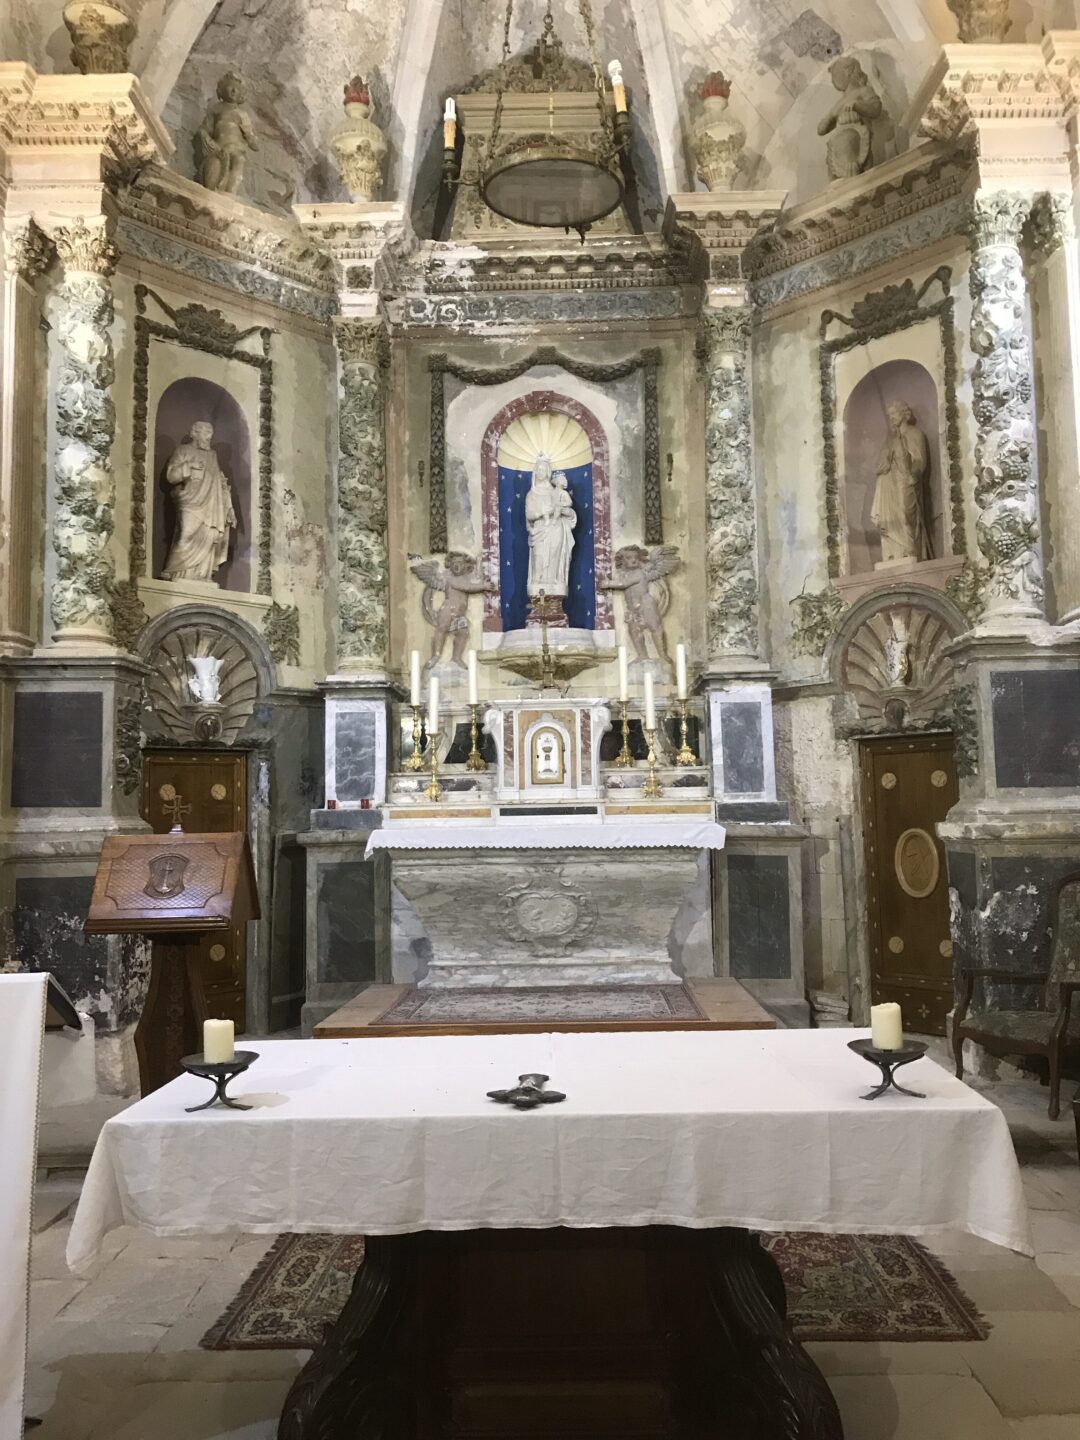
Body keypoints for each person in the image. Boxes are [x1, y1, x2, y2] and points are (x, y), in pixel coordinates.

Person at [161, 422, 237, 583]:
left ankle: (202, 574)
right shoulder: (182, 450)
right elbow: (171, 476)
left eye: (210, 432)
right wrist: (188, 466)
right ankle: (176, 571)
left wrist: (229, 508)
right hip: (190, 501)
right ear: (194, 433)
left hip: (211, 504)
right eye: (205, 432)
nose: (209, 436)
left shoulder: (212, 456)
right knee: (186, 534)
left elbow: (220, 483)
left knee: (209, 536)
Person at [871, 401, 932, 563]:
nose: (891, 418)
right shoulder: (890, 440)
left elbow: (920, 460)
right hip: (889, 482)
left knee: (907, 512)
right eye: (889, 416)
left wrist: (914, 473)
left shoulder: (915, 434)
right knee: (889, 518)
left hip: (906, 480)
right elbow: (880, 464)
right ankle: (893, 552)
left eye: (894, 414)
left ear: (904, 414)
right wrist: (886, 458)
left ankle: (910, 548)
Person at [525, 456, 576, 599]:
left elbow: (568, 511)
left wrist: (566, 512)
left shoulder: (557, 492)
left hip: (556, 528)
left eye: (543, 469)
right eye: (538, 470)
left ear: (548, 471)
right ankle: (537, 585)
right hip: (540, 529)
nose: (540, 472)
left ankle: (555, 585)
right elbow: (529, 515)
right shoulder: (532, 494)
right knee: (539, 557)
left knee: (554, 558)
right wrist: (543, 512)